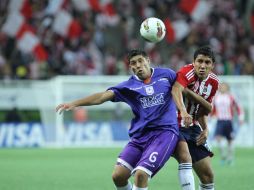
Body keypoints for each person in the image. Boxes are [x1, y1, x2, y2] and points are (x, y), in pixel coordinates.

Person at [56, 49, 179, 190]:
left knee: (141, 175)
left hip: (164, 134)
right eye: (133, 63)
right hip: (140, 137)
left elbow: (183, 90)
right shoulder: (128, 86)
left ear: (148, 61)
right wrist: (75, 103)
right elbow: (102, 97)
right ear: (130, 67)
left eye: (140, 61)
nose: (138, 65)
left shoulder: (167, 75)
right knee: (118, 176)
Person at [171, 46, 219, 190]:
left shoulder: (214, 82)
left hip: (192, 127)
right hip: (173, 124)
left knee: (207, 176)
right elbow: (176, 89)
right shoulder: (186, 72)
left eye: (207, 62)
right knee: (185, 157)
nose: (203, 66)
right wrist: (183, 111)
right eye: (199, 61)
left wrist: (205, 129)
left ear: (212, 65)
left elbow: (203, 111)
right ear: (193, 62)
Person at [212, 82, 244, 165]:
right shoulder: (216, 97)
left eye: (224, 86)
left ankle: (230, 158)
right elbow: (212, 109)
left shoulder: (231, 97)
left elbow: (238, 107)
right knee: (218, 138)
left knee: (230, 140)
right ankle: (223, 155)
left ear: (227, 88)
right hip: (219, 120)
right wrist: (210, 117)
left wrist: (241, 117)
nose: (222, 88)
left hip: (229, 121)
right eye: (221, 86)